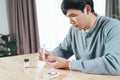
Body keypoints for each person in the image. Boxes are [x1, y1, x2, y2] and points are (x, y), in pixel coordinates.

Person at [38, 0, 120, 75]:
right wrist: (50, 56)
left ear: (87, 9)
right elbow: (63, 49)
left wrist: (69, 64)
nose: (70, 22)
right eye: (68, 17)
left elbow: (115, 64)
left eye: (73, 15)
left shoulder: (113, 27)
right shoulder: (74, 31)